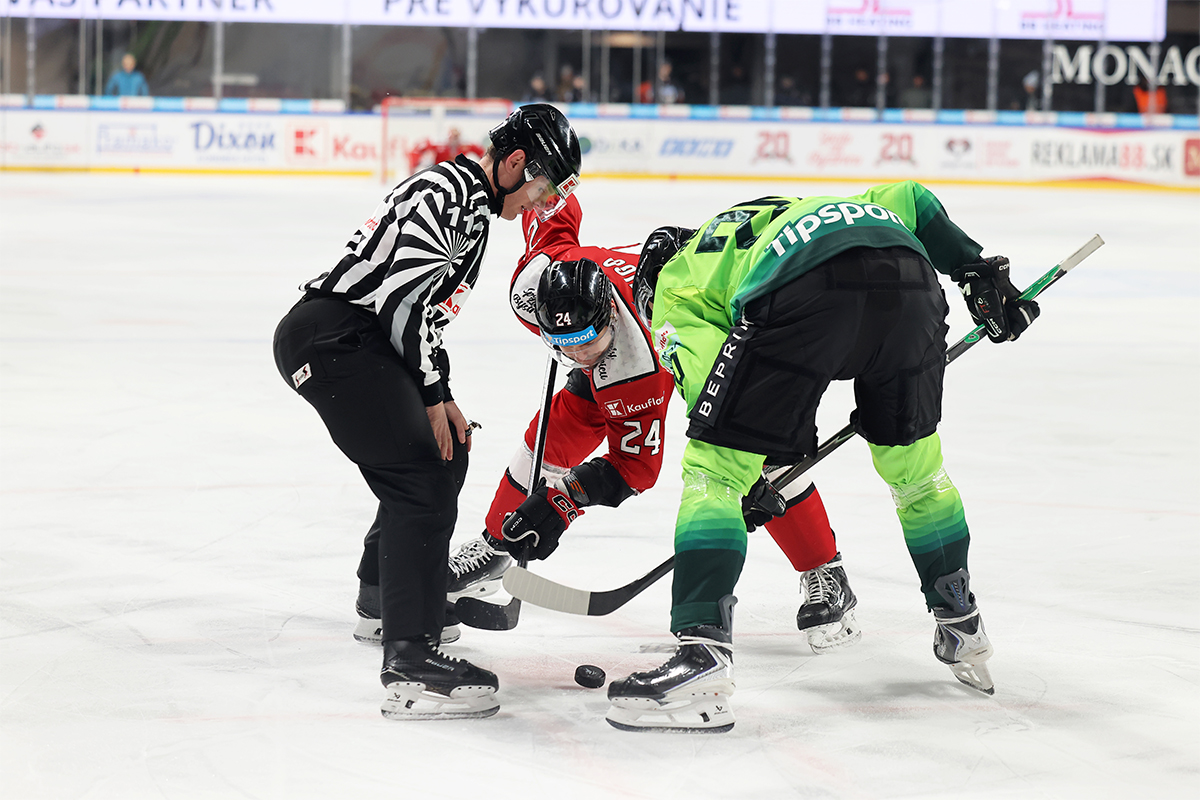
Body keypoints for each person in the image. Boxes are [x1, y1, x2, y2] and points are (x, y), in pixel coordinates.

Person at [614, 182, 1041, 732]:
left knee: (713, 474)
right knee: (916, 474)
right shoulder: (770, 217)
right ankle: (960, 620)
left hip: (802, 286)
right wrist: (973, 269)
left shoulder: (674, 281)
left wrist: (748, 473)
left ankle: (702, 657)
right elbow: (911, 197)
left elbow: (709, 396)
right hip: (909, 275)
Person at [441, 195, 862, 656]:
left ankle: (826, 571)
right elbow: (554, 218)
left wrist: (564, 500)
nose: (578, 356)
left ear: (608, 319)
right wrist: (543, 187)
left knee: (760, 452)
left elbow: (636, 467)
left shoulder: (635, 369)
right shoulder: (534, 285)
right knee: (559, 427)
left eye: (587, 345)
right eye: (565, 347)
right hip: (645, 315)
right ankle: (498, 544)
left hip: (709, 327)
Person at [272, 104, 581, 721]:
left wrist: (445, 398)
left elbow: (421, 315)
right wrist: (434, 395)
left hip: (358, 340)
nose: (541, 203)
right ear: (516, 163)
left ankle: (384, 597)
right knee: (421, 475)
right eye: (544, 187)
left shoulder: (471, 203)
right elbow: (402, 303)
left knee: (444, 451)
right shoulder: (450, 191)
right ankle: (411, 663)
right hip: (333, 337)